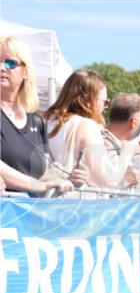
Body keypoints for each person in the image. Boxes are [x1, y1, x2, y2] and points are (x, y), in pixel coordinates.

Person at [0, 36, 80, 194]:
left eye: (10, 63)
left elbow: (41, 173)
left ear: (26, 72)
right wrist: (36, 186)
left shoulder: (36, 121)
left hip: (31, 215)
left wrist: (67, 179)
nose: (2, 67)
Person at [45, 69, 134, 189]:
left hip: (44, 199)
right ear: (88, 100)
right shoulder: (86, 126)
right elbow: (107, 181)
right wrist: (127, 150)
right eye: (104, 102)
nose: (105, 107)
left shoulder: (45, 121)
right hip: (75, 202)